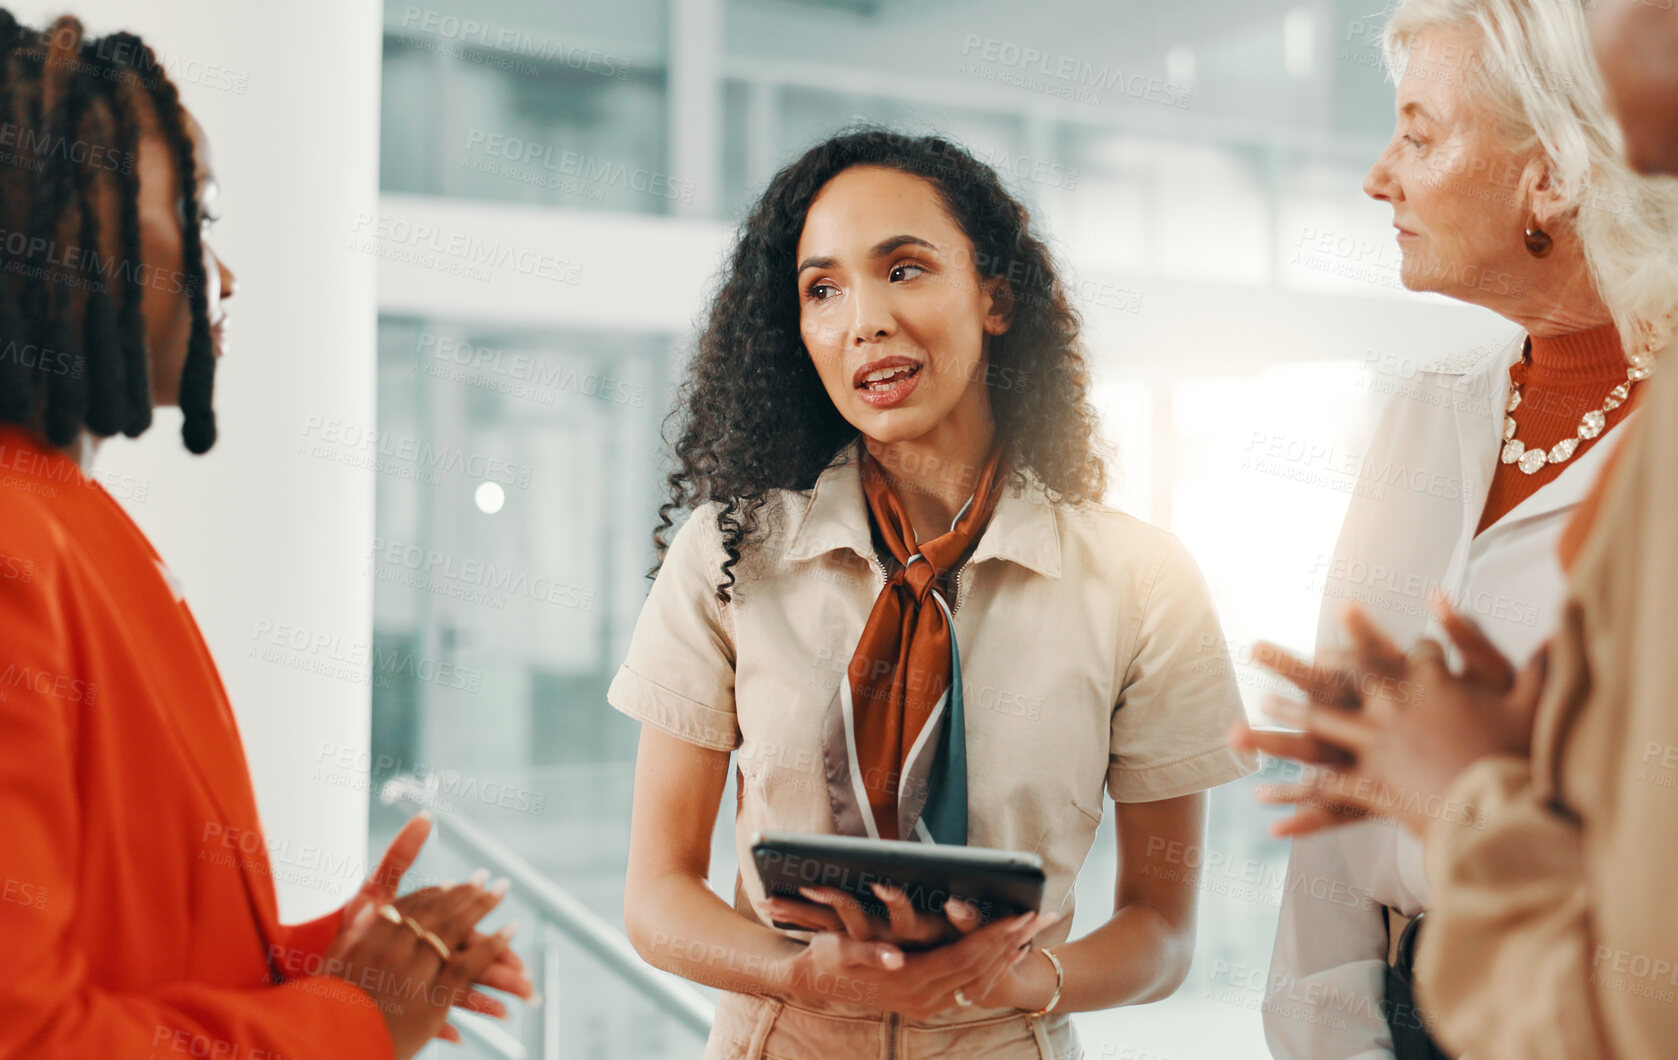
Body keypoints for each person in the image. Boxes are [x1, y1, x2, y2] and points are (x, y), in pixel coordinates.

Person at [1238, 0, 1678, 1056]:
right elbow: (1337, 804)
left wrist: (1474, 797)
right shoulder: (1422, 409)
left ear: (1548, 174)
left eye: (1417, 132)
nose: (1377, 176)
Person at [615, 126, 1258, 1059]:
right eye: (822, 289)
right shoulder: (727, 555)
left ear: (994, 297)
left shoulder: (1140, 580)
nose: (862, 319)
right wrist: (793, 971)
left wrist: (1019, 979)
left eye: (904, 270)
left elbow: (1162, 932)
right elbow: (655, 897)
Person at [0, 13, 531, 1059]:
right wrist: (350, 1020)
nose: (223, 275)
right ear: (57, 221)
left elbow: (121, 950)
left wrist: (324, 963)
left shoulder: (72, 516)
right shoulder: (19, 543)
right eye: (195, 215)